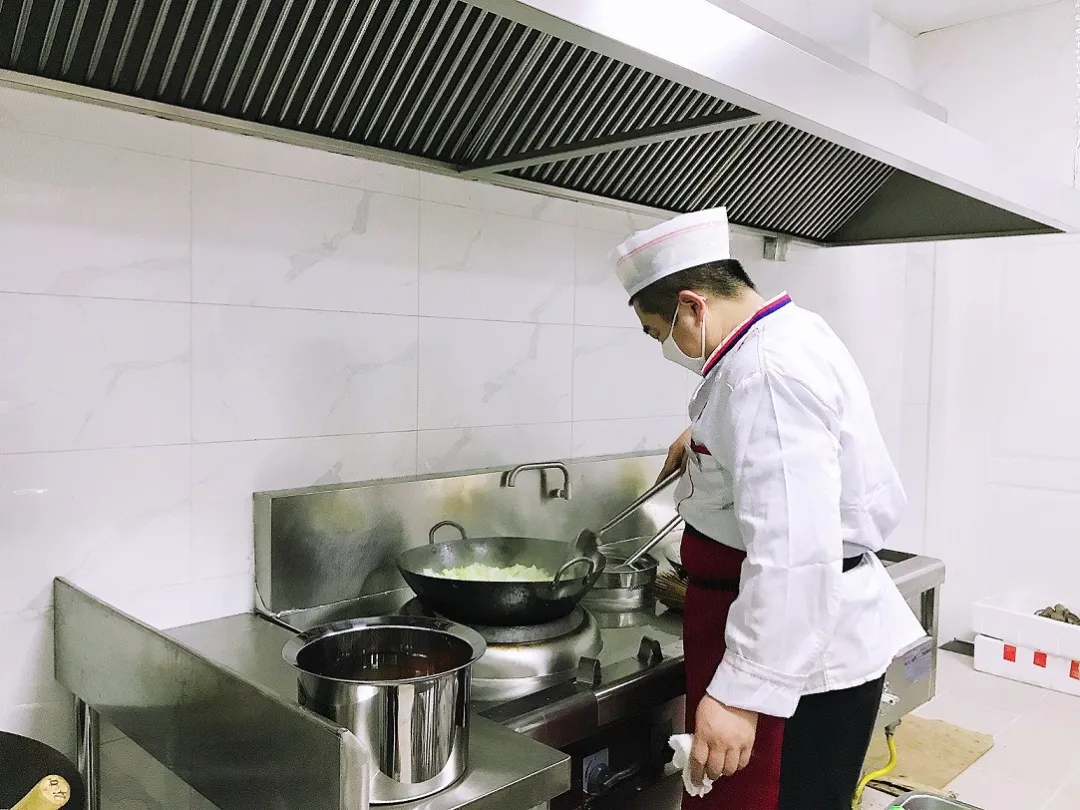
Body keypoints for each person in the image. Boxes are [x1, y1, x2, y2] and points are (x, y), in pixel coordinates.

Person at [612, 208, 925, 810]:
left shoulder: (765, 375)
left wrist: (741, 695)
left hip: (794, 666)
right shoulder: (784, 334)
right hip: (781, 636)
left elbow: (793, 551)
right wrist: (707, 437)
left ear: (692, 306)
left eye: (659, 332)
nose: (667, 348)